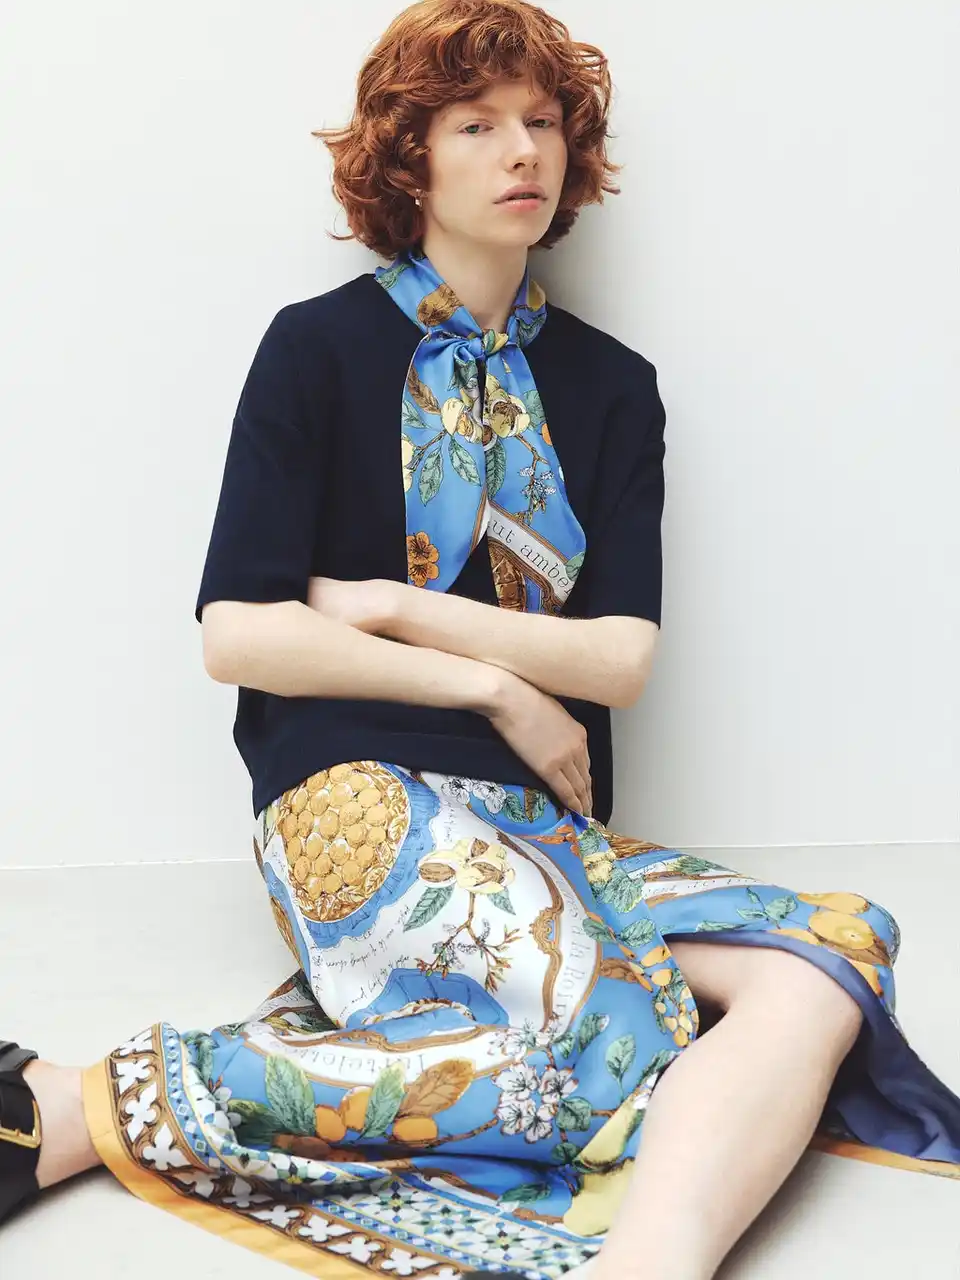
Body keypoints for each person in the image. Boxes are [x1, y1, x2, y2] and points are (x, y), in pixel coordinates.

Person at [3, 1, 958, 1276]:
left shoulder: (613, 384)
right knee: (595, 1037)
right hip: (353, 791)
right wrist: (494, 685)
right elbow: (239, 633)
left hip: (545, 822)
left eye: (543, 123)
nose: (523, 151)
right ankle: (82, 1102)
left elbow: (619, 658)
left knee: (827, 957)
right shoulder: (315, 348)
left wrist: (394, 602)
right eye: (477, 124)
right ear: (410, 158)